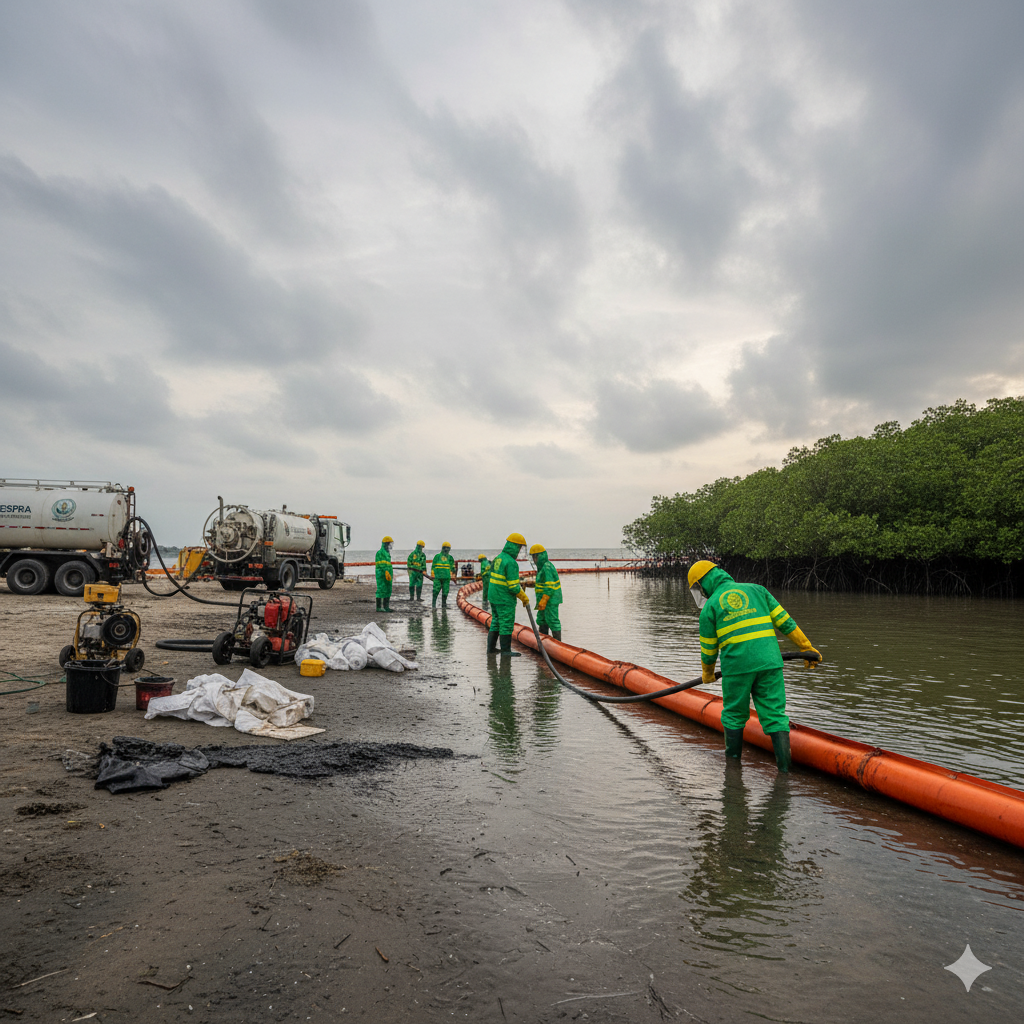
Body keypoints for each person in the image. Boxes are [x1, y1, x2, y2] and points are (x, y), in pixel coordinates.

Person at [688, 560, 821, 773]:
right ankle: (784, 771)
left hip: (737, 669)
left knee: (733, 716)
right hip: (770, 663)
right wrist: (807, 647)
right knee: (775, 716)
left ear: (702, 583)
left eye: (699, 588)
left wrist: (708, 674)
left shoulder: (710, 608)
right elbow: (786, 622)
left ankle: (733, 773)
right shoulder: (758, 590)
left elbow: (709, 650)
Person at [486, 533, 529, 657]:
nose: (519, 551)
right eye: (519, 548)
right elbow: (513, 587)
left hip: (493, 596)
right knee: (506, 623)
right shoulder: (511, 563)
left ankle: (491, 648)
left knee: (496, 621)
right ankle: (505, 651)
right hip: (504, 598)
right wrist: (524, 597)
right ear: (515, 547)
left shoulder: (498, 558)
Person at [527, 544, 562, 640]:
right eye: (533, 557)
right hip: (543, 600)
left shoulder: (547, 567)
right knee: (542, 620)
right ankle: (543, 642)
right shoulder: (541, 568)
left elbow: (550, 586)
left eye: (535, 557)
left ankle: (558, 644)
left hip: (550, 600)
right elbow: (541, 584)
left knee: (552, 620)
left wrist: (544, 599)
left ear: (540, 556)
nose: (534, 560)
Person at [431, 542, 456, 609]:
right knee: (436, 591)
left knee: (445, 592)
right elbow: (433, 566)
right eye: (445, 548)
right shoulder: (437, 556)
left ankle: (444, 604)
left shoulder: (450, 558)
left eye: (448, 548)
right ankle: (433, 605)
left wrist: (453, 572)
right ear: (442, 548)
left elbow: (453, 567)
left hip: (446, 578)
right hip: (437, 577)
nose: (446, 549)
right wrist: (432, 574)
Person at [375, 535, 394, 613]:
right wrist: (385, 571)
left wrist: (389, 572)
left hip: (388, 574)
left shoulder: (387, 553)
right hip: (381, 574)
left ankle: (386, 607)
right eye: (388, 543)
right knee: (381, 589)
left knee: (388, 589)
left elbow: (388, 564)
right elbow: (381, 564)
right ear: (385, 544)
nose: (389, 545)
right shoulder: (380, 553)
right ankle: (379, 607)